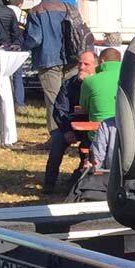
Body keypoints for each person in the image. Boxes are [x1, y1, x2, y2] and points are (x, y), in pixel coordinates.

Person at [42, 50, 98, 194]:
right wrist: (67, 130)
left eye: (86, 64)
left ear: (95, 67)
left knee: (87, 148)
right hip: (71, 125)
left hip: (92, 128)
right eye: (80, 64)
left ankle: (78, 181)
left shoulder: (99, 85)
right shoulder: (69, 84)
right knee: (57, 142)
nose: (82, 67)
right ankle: (49, 184)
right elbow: (59, 109)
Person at [24, 0, 73, 132]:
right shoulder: (69, 7)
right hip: (72, 57)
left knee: (53, 99)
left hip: (48, 58)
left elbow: (35, 38)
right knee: (70, 96)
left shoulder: (35, 11)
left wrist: (23, 45)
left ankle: (56, 136)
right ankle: (73, 132)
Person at [81, 47, 122, 123]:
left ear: (102, 61)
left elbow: (84, 107)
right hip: (124, 128)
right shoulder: (130, 78)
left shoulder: (89, 80)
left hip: (98, 128)